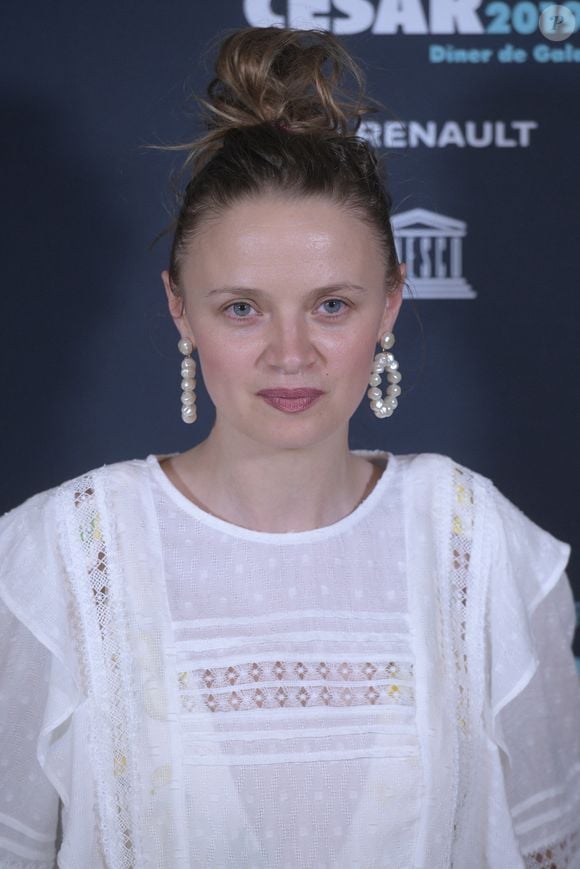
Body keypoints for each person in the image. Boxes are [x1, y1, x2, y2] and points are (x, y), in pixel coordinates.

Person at [0, 25, 578, 869]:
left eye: (331, 305)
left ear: (389, 304)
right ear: (179, 309)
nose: (291, 352)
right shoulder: (55, 558)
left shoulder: (479, 546)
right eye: (242, 307)